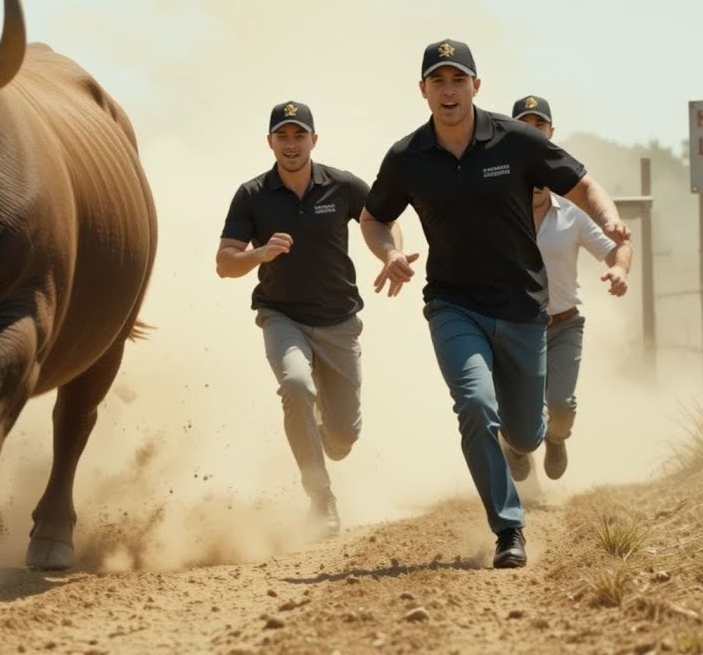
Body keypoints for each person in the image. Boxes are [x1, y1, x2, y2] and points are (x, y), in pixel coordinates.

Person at [358, 40, 631, 569]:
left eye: (457, 79)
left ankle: (520, 443)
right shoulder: (407, 157)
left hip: (522, 307)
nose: (448, 90)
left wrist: (610, 220)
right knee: (476, 406)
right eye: (437, 81)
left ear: (476, 87)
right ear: (423, 91)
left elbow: (584, 186)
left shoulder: (516, 141)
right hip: (453, 305)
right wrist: (388, 252)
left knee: (527, 432)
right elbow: (373, 217)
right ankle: (509, 529)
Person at [216, 100, 381, 540]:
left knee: (344, 440)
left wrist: (393, 253)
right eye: (282, 136)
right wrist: (258, 253)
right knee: (295, 386)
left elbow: (381, 219)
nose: (291, 144)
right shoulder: (252, 194)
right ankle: (320, 496)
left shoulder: (342, 185)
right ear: (269, 141)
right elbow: (224, 263)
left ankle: (329, 430)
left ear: (314, 139)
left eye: (299, 135)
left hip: (339, 320)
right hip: (282, 315)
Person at [510, 94, 634, 481]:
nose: (531, 135)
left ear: (550, 134)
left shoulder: (574, 214)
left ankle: (557, 438)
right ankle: (512, 443)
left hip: (563, 326)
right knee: (514, 412)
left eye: (539, 126)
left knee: (560, 406)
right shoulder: (495, 210)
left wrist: (619, 271)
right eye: (523, 127)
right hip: (513, 327)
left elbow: (619, 246)